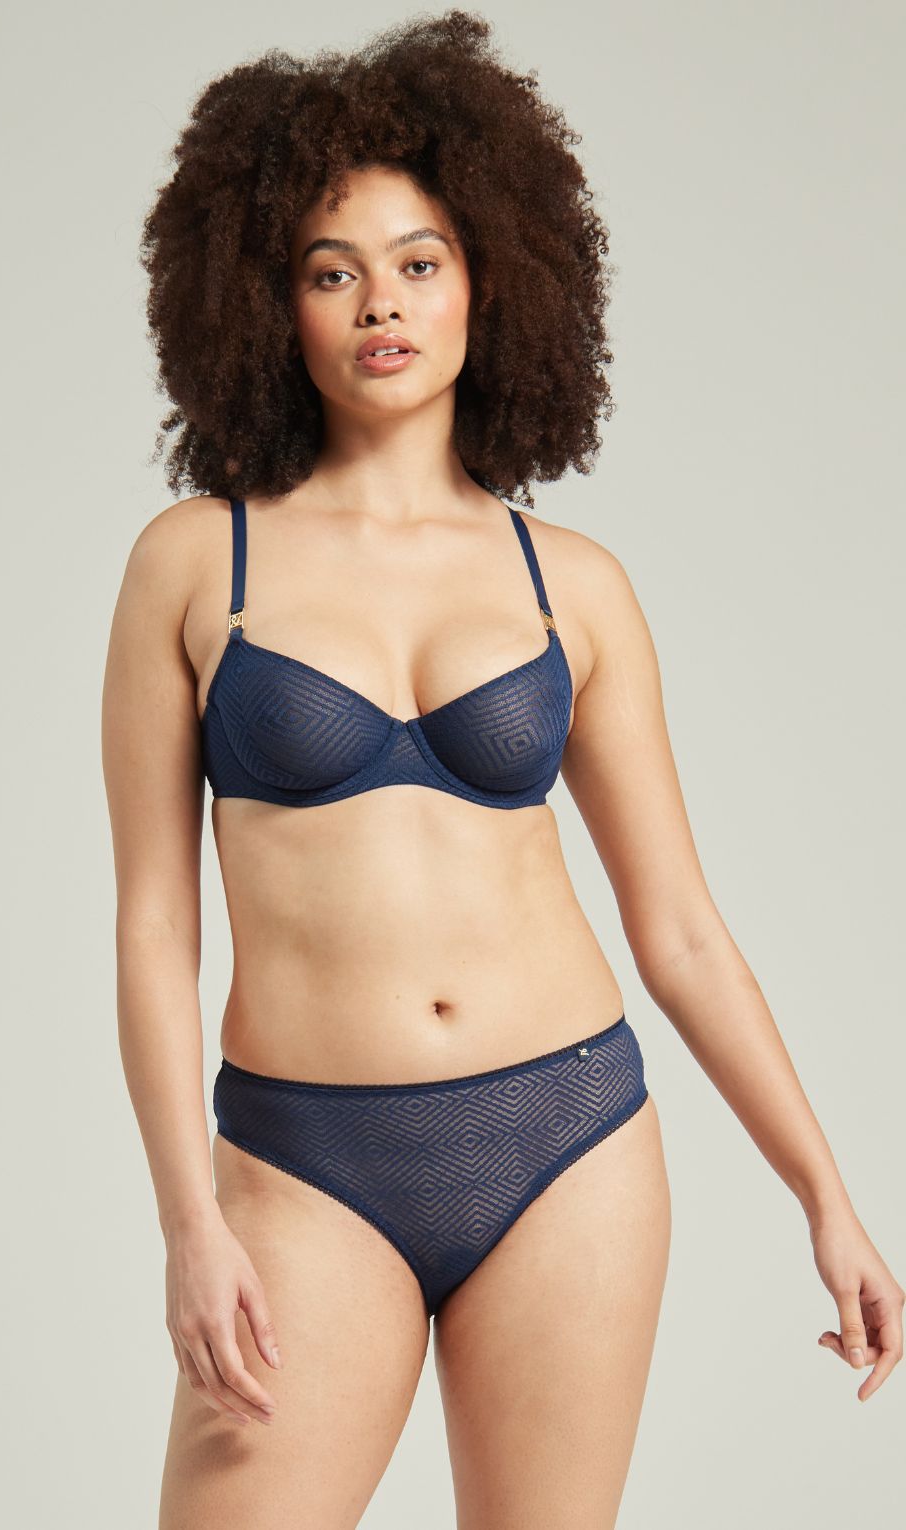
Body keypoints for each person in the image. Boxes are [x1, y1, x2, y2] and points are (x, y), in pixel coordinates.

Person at [101, 13, 903, 1528]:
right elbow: (154, 925)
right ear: (267, 301)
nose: (380, 303)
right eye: (331, 270)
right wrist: (188, 1224)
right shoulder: (198, 563)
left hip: (569, 1140)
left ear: (492, 281)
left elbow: (680, 930)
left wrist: (828, 1197)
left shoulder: (572, 584)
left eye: (420, 261)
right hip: (304, 1159)